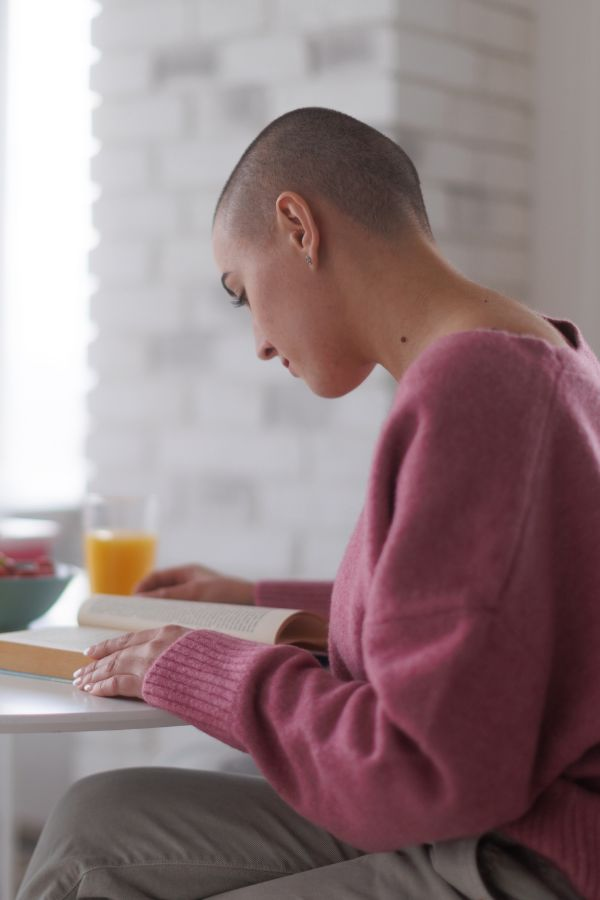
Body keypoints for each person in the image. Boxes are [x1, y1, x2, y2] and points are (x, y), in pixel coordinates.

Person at [16, 106, 599, 899]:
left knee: (93, 865)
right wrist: (255, 601)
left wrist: (199, 667)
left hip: (518, 850)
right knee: (97, 818)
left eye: (241, 291)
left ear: (298, 226)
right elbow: (477, 622)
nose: (257, 339)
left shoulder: (478, 393)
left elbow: (426, 767)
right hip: (494, 806)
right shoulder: (535, 354)